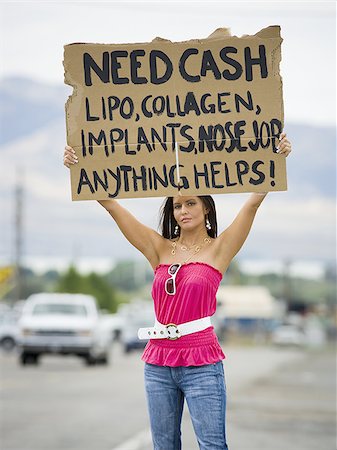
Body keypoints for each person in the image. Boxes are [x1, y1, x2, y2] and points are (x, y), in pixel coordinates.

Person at [63, 133, 292, 449]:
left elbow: (252, 203)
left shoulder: (219, 249)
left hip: (201, 361)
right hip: (158, 363)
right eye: (176, 206)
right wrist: (81, 165)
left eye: (190, 203)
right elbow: (111, 205)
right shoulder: (158, 248)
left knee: (212, 445)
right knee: (163, 445)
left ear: (206, 208)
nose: (183, 210)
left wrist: (276, 158)